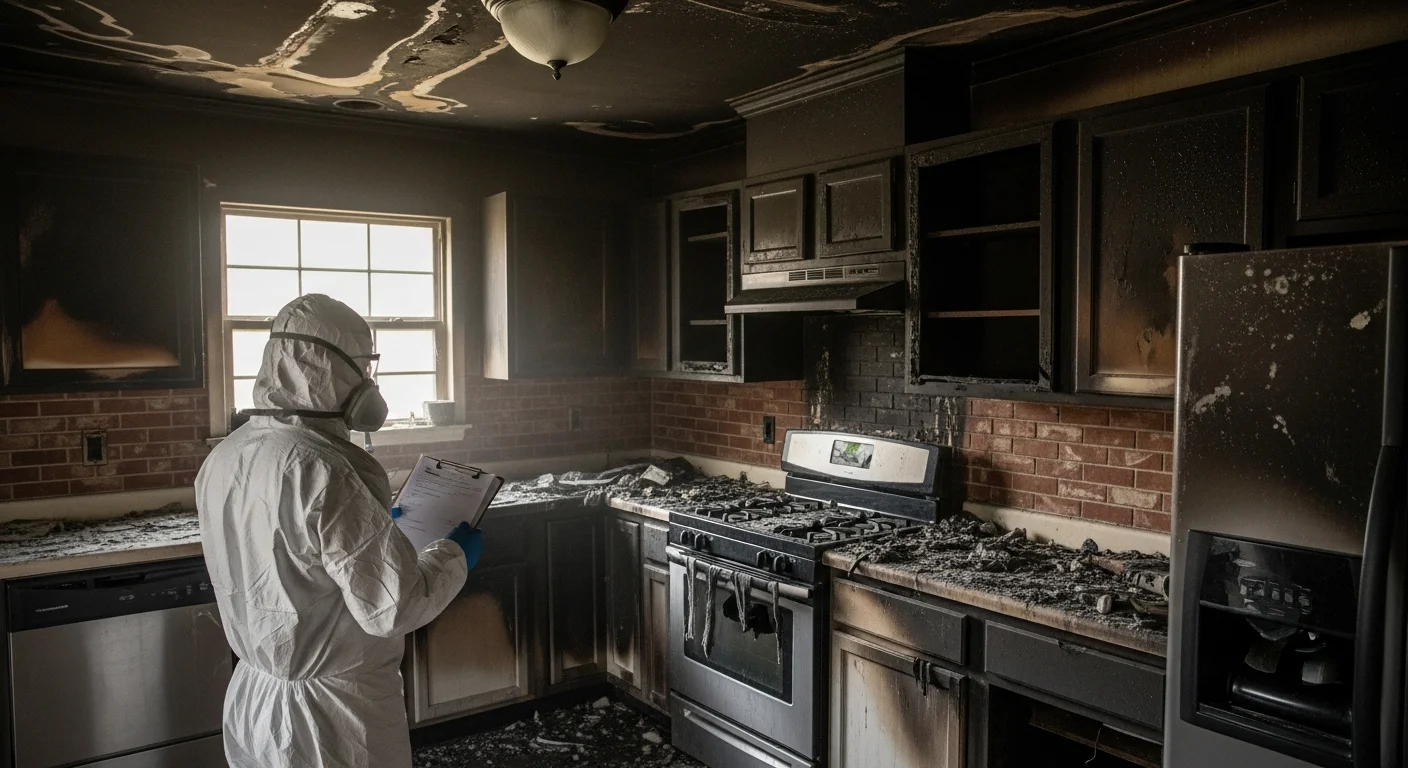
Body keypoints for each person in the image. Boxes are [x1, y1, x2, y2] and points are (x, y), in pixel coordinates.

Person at [196, 294, 482, 768]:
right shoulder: (328, 469)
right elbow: (393, 607)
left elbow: (291, 556)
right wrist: (452, 555)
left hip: (255, 699)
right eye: (363, 367)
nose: (369, 382)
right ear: (327, 368)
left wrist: (369, 534)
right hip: (335, 719)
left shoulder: (229, 455)